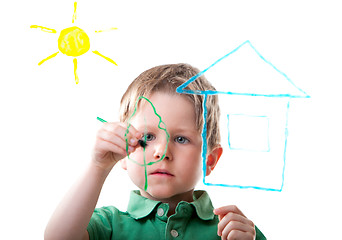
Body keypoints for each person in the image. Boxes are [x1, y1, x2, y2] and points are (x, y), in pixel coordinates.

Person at [44, 63, 266, 240]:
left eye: (181, 139)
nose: (162, 152)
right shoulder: (109, 225)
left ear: (210, 159)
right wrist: (98, 167)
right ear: (123, 151)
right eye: (147, 137)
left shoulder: (231, 232)